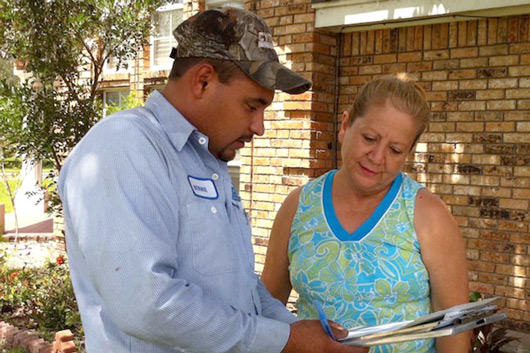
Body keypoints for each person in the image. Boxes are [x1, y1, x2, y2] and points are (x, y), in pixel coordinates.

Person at [58, 7, 368, 353]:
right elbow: (148, 303)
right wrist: (288, 341)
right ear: (203, 80)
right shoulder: (123, 145)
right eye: (252, 106)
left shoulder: (209, 162)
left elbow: (241, 290)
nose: (259, 127)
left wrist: (307, 334)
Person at [262, 74, 470, 353]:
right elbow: (267, 306)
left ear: (408, 153)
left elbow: (452, 326)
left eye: (395, 150)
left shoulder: (428, 215)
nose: (377, 157)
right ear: (345, 125)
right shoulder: (299, 206)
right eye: (369, 138)